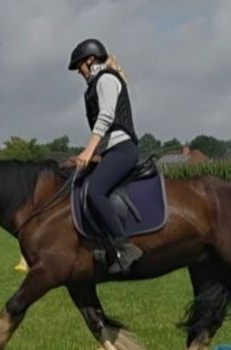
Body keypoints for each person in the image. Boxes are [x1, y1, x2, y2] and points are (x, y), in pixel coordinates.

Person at [68, 38, 142, 274]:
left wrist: (89, 151)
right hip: (111, 150)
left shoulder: (106, 79)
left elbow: (107, 117)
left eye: (79, 66)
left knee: (95, 191)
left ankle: (125, 247)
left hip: (123, 149)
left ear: (90, 60)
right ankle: (100, 243)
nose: (79, 72)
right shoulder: (93, 86)